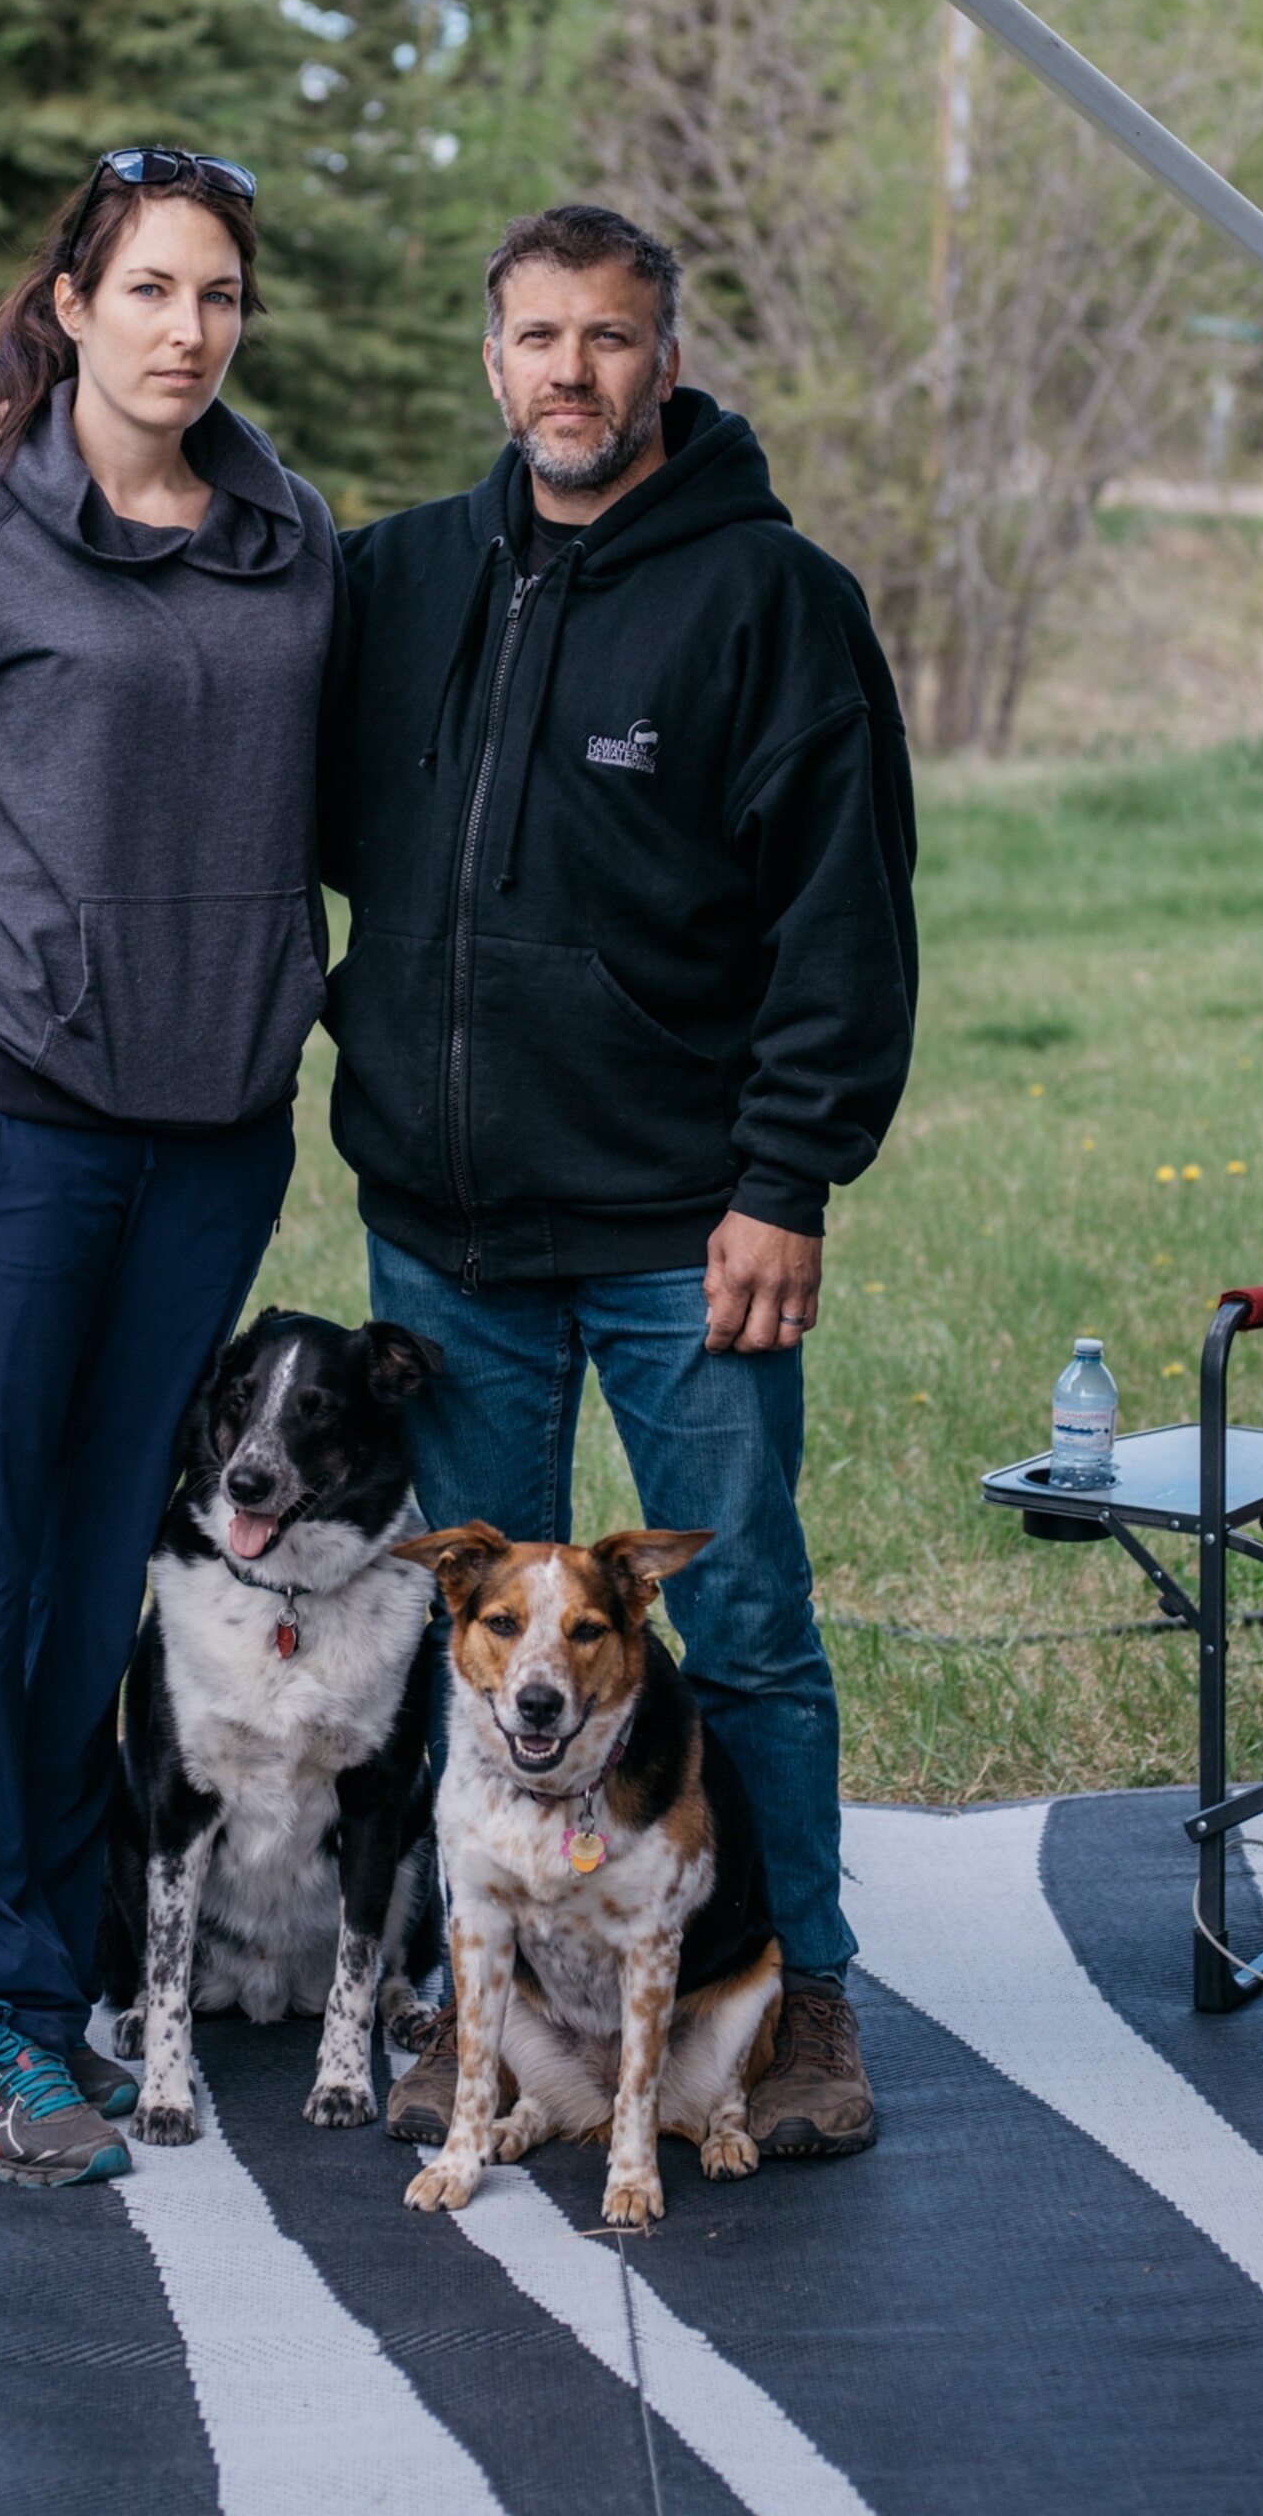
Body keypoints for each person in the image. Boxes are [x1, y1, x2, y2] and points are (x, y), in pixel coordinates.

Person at [326, 203, 917, 2158]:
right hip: (448, 1232)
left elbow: (842, 921)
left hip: (688, 1231)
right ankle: (475, 1999)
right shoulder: (401, 579)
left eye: (606, 337)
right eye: (534, 337)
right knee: (487, 1647)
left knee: (742, 1633)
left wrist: (787, 1176)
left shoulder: (772, 600)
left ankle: (797, 1989)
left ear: (666, 357)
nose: (567, 373)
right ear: (488, 358)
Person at [0, 148, 342, 2187]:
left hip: (212, 1146)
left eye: (217, 294)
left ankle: (53, 1982)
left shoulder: (292, 542)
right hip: (8, 1129)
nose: (184, 330)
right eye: (146, 289)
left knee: (91, 1587)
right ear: (70, 305)